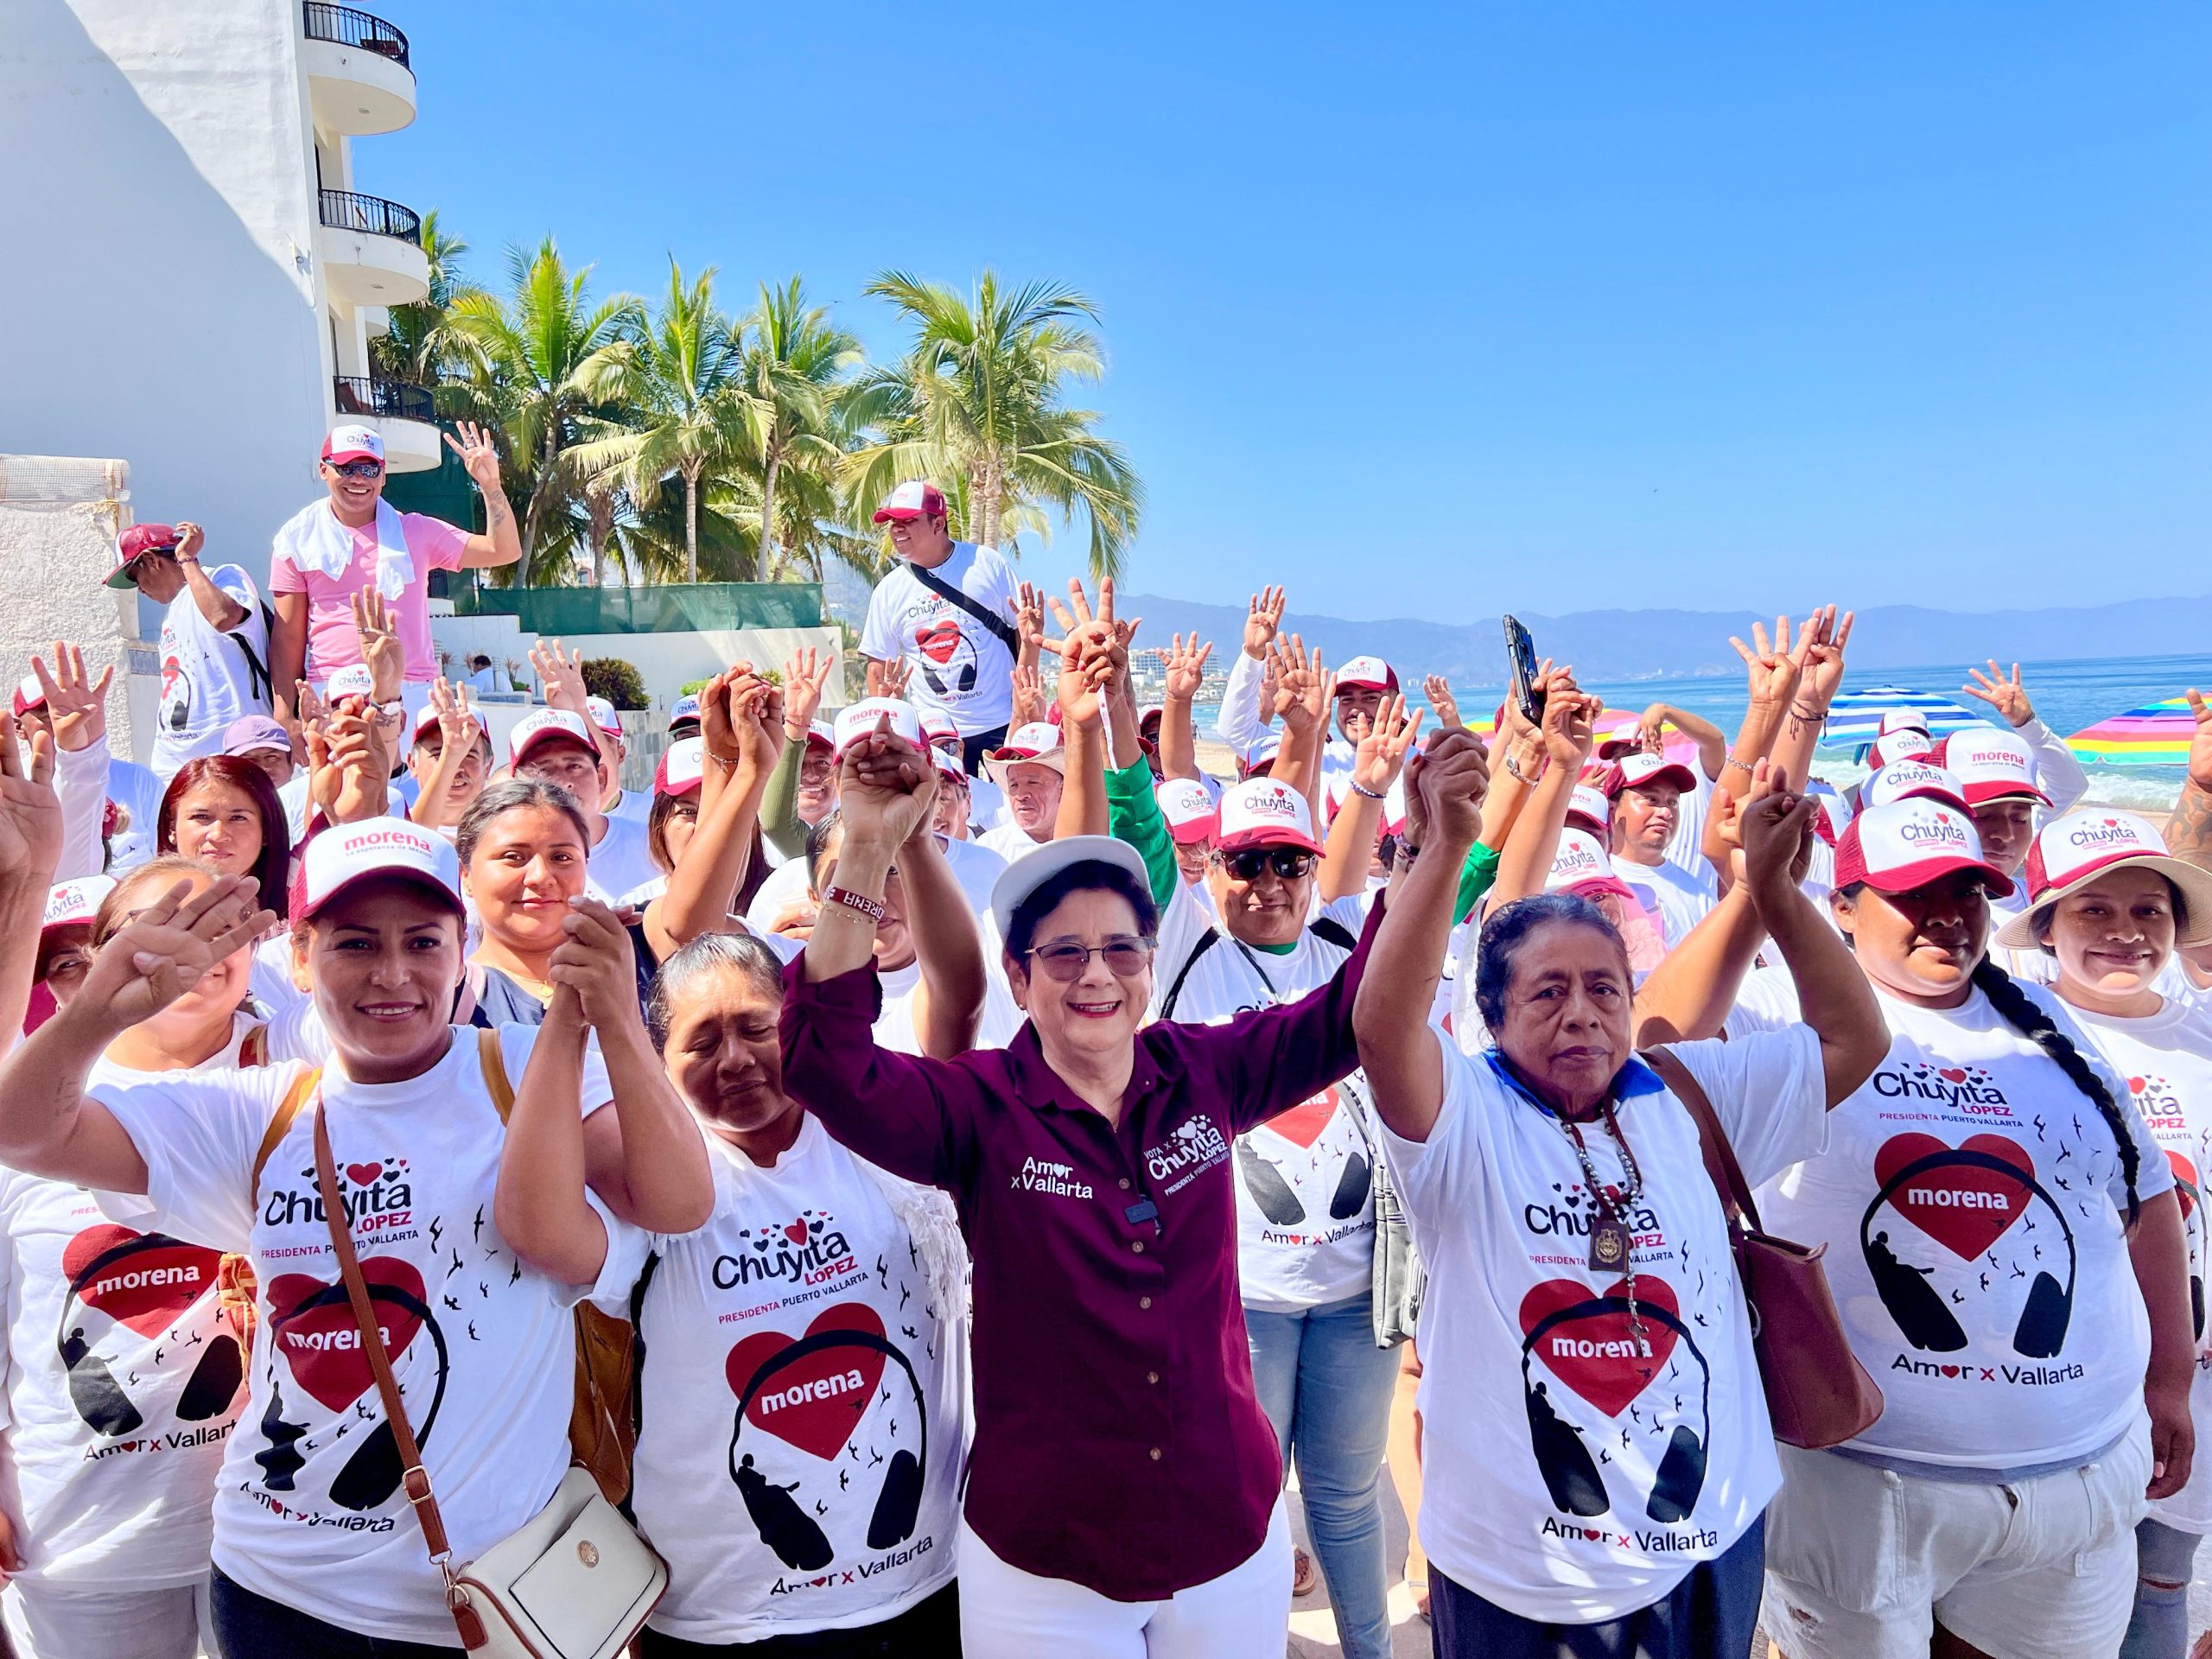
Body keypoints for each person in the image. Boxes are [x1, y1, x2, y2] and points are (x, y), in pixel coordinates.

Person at [779, 589, 1388, 1657]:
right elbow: (822, 1062)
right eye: (1063, 953)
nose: (1095, 974)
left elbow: (1356, 1014)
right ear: (1020, 974)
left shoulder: (1206, 1072)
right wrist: (869, 849)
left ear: (1153, 966)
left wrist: (1433, 848)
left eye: (1121, 949)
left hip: (1223, 1534)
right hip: (1040, 1561)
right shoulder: (976, 1108)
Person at [0, 817, 708, 1656]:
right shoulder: (260, 1110)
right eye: (354, 944)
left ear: (461, 948)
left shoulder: (522, 1066)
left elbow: (677, 1203)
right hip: (281, 1594)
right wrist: (97, 1011)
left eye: (422, 940)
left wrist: (618, 1024)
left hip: (488, 1595)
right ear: (299, 959)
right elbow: (28, 1135)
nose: (393, 973)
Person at [1353, 742, 1888, 1657]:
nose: (1581, 1013)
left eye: (1604, 989)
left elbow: (1851, 1041)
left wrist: (1774, 893)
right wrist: (1444, 847)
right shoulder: (1463, 1115)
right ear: (1489, 1014)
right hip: (1519, 1570)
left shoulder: (1683, 1091)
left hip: (1707, 1542)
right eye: (1547, 991)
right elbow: (1380, 1023)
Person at [1640, 795, 2196, 1659]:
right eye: (1913, 894)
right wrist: (1758, 893)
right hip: (1864, 1490)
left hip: (2070, 1485)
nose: (1946, 915)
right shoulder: (1785, 1007)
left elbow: (2145, 1197)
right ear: (1843, 907)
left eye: (1968, 892)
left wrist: (2165, 1377)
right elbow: (1653, 1039)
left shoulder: (2054, 1032)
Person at [495, 926, 969, 1653]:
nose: (737, 1059)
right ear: (657, 1060)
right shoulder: (650, 1189)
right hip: (728, 1625)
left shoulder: (881, 1133)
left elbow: (960, 998)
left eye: (756, 1027)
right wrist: (579, 1018)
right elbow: (549, 1238)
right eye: (702, 1042)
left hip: (926, 1594)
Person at [1099, 682, 1423, 1659]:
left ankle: (1365, 1652)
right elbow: (1135, 818)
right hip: (1240, 1296)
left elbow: (1445, 886)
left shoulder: (1343, 944)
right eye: (1246, 864)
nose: (1271, 883)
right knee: (1242, 1497)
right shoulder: (1189, 951)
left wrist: (1374, 788)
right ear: (1212, 870)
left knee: (1347, 1494)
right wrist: (1115, 700)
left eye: (1291, 862)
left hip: (1358, 1294)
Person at [1987, 811, 2212, 1659]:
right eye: (2092, 911)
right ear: (2045, 927)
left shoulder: (2204, 1033)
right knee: (2044, 1582)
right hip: (2055, 1374)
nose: (2123, 933)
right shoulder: (2006, 1037)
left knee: (2161, 1575)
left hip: (2191, 1373)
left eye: (2147, 912)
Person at [268, 421, 521, 730]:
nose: (358, 478)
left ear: (384, 475)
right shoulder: (295, 539)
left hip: (412, 692)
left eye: (370, 469)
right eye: (346, 467)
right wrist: (284, 716)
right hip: (333, 694)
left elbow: (503, 551)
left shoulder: (417, 531)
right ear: (324, 470)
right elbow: (287, 637)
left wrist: (490, 486)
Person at [859, 480, 1023, 769]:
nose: (897, 529)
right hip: (935, 735)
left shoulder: (985, 563)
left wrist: (1024, 705)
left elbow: (1024, 632)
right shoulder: (888, 590)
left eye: (908, 521)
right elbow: (878, 667)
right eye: (892, 522)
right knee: (942, 814)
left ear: (938, 524)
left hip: (1001, 724)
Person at [105, 521, 274, 782]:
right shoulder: (173, 613)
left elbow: (223, 616)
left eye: (133, 576)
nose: (139, 589)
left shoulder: (223, 576)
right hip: (177, 760)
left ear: (151, 561)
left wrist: (186, 559)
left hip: (232, 749)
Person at [505, 708, 659, 901]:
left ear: (601, 778)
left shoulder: (653, 847)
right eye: (543, 770)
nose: (562, 782)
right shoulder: (504, 861)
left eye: (575, 766)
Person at [1604, 751, 1716, 950]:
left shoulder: (1698, 893)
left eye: (1673, 802)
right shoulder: (1596, 883)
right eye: (1652, 799)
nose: (1665, 812)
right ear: (1612, 809)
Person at [976, 722, 1065, 862]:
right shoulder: (990, 849)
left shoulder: (1085, 843)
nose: (1021, 795)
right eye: (1013, 784)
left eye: (1033, 782)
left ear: (1063, 787)